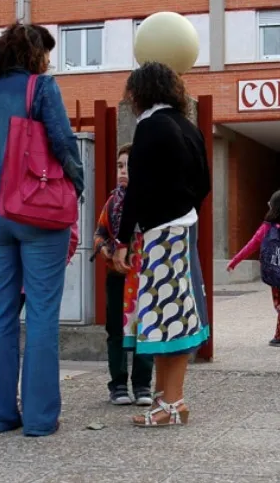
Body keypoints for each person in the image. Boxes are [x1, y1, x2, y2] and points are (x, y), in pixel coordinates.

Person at [0, 23, 84, 436]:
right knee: (43, 315)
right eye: (46, 51)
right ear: (34, 54)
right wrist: (76, 187)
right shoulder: (42, 87)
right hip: (38, 210)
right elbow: (64, 143)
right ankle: (40, 419)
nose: (48, 60)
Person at [113, 62, 211, 428]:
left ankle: (172, 403)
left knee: (163, 316)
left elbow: (136, 188)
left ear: (139, 93)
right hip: (186, 226)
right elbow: (204, 183)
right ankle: (170, 398)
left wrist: (122, 239)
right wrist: (184, 207)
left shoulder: (149, 126)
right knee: (178, 316)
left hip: (160, 232)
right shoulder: (189, 127)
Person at [93, 143, 154, 407]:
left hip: (144, 277)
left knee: (144, 329)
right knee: (116, 330)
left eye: (128, 165)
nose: (122, 171)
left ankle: (142, 385)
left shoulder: (151, 202)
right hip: (118, 275)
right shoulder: (112, 203)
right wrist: (105, 251)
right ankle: (118, 384)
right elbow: (99, 234)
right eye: (119, 165)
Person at [227, 188, 280, 350]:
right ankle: (278, 336)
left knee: (278, 304)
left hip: (274, 271)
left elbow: (252, 245)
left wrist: (234, 261)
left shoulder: (267, 227)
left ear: (275, 207)